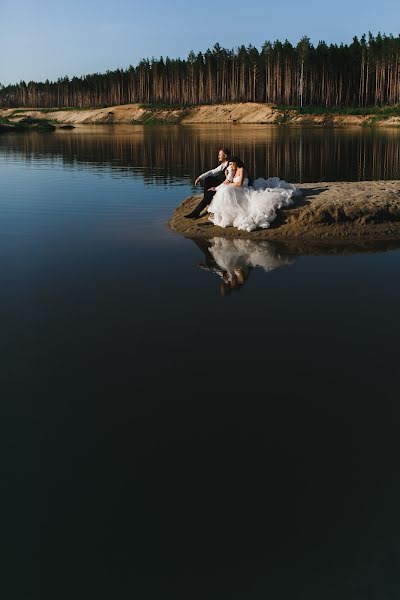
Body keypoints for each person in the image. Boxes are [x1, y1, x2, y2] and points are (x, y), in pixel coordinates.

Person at [207, 157, 301, 232]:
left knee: (226, 189)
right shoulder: (233, 172)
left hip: (244, 191)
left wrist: (228, 184)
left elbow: (239, 184)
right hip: (237, 190)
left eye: (231, 164)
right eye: (229, 165)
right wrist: (225, 178)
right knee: (224, 190)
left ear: (236, 163)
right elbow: (227, 181)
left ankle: (230, 214)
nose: (230, 166)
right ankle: (226, 215)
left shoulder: (242, 169)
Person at [184, 147, 232, 219]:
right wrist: (200, 178)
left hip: (226, 187)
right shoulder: (223, 165)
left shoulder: (230, 165)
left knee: (207, 194)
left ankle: (196, 212)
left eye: (220, 155)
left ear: (225, 156)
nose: (218, 156)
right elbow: (212, 172)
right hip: (222, 184)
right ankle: (197, 211)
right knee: (208, 179)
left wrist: (215, 188)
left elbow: (229, 180)